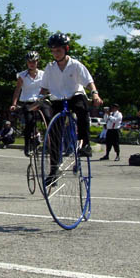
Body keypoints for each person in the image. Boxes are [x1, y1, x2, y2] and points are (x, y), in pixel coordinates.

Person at [40, 33, 103, 184]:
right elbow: (44, 89)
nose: (56, 54)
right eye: (53, 51)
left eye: (59, 51)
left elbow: (88, 82)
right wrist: (38, 100)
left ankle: (85, 144)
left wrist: (94, 94)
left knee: (81, 109)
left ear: (66, 49)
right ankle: (54, 169)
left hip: (74, 95)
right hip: (58, 100)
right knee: (54, 133)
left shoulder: (75, 65)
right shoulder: (50, 68)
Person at [10, 51, 51, 156]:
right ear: (27, 63)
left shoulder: (44, 74)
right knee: (29, 123)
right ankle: (27, 146)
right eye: (29, 62)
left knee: (48, 117)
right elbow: (17, 90)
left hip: (40, 101)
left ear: (37, 62)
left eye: (34, 61)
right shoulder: (22, 75)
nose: (31, 64)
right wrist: (14, 104)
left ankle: (50, 142)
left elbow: (48, 88)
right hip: (27, 102)